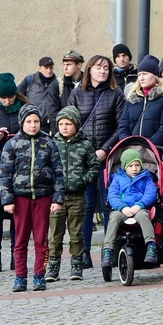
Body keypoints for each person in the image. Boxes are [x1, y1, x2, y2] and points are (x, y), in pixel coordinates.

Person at [68, 54, 126, 267]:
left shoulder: (116, 94)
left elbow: (122, 126)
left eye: (106, 68)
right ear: (89, 70)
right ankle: (83, 253)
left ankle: (109, 250)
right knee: (85, 206)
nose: (102, 71)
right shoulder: (76, 93)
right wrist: (83, 150)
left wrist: (104, 149)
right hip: (83, 159)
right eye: (99, 67)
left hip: (106, 157)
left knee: (109, 203)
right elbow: (69, 124)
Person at [0, 104, 64, 292]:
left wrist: (57, 199)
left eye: (36, 121)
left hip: (43, 197)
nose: (33, 125)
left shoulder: (49, 143)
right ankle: (20, 276)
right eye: (29, 122)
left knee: (41, 239)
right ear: (22, 123)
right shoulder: (12, 144)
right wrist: (7, 199)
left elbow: (59, 173)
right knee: (20, 240)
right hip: (20, 199)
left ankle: (39, 275)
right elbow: (4, 174)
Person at [0, 73, 30, 272]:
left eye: (11, 97)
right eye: (4, 98)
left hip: (21, 168)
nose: (8, 101)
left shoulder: (26, 110)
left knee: (17, 214)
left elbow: (36, 131)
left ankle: (14, 254)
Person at [45, 106, 99, 282]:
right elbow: (45, 166)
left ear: (76, 124)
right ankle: (53, 266)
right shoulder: (52, 144)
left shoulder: (85, 145)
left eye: (68, 123)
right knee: (55, 233)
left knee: (76, 233)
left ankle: (77, 265)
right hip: (57, 198)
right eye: (61, 124)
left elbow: (94, 167)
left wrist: (83, 180)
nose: (64, 127)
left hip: (77, 196)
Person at [100, 149, 158, 268]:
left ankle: (151, 245)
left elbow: (150, 193)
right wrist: (122, 207)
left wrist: (140, 205)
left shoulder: (146, 178)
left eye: (137, 165)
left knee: (143, 216)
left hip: (139, 208)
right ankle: (108, 249)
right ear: (125, 166)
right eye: (130, 166)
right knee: (114, 217)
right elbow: (113, 195)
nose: (134, 169)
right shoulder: (117, 179)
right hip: (122, 209)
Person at [119, 55, 163, 148]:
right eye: (139, 74)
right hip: (131, 151)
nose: (141, 78)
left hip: (155, 151)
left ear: (155, 76)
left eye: (145, 74)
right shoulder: (132, 99)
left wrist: (146, 146)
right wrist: (128, 145)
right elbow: (123, 126)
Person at [17, 56, 61, 134]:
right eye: (46, 68)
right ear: (40, 68)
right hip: (33, 124)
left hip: (51, 126)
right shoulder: (30, 80)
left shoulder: (58, 83)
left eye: (51, 68)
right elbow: (17, 95)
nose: (49, 70)